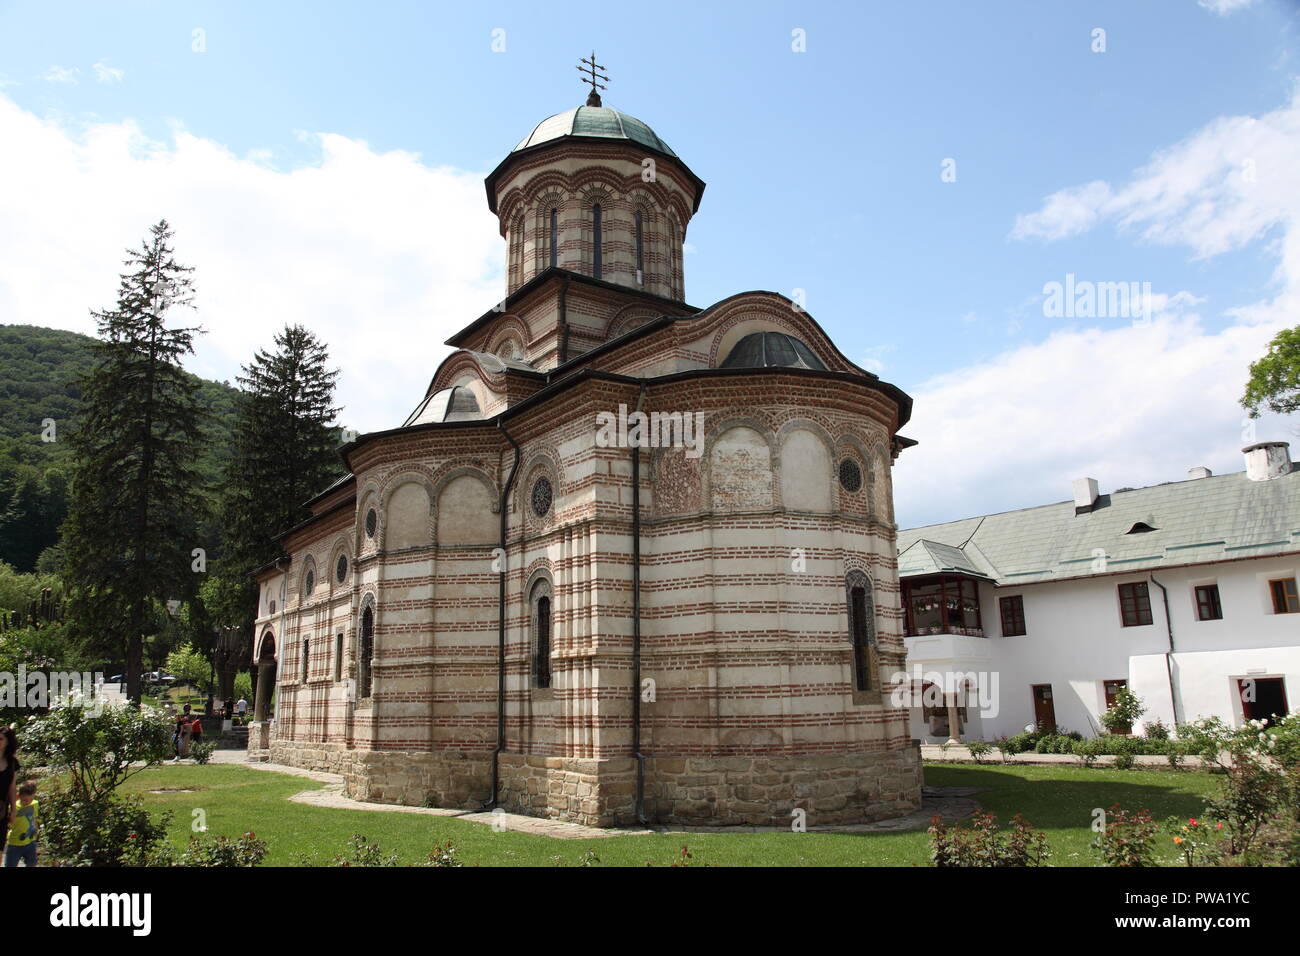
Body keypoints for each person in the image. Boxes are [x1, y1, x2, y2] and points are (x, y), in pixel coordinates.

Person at [4, 781, 38, 867]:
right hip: (15, 843)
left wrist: (36, 829)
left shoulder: (35, 804)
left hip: (30, 842)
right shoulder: (14, 807)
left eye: (31, 799)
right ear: (18, 796)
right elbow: (9, 821)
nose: (28, 802)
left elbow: (35, 818)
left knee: (32, 863)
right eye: (25, 800)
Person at [0, 728, 18, 856]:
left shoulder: (12, 763)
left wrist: (13, 809)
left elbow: (12, 787)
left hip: (1, 811)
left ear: (8, 742)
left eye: (0, 739)